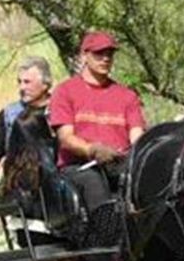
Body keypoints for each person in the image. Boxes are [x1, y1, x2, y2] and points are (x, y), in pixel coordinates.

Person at [48, 31, 146, 211]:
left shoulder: (128, 96)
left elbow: (137, 136)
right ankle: (106, 235)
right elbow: (65, 138)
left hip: (119, 165)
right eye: (99, 53)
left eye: (110, 54)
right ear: (84, 55)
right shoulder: (65, 91)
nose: (105, 58)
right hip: (79, 168)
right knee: (94, 185)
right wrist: (93, 150)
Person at [0, 56, 54, 196]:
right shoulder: (9, 114)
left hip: (56, 183)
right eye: (19, 82)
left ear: (45, 84)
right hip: (19, 186)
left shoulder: (60, 110)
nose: (22, 87)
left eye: (27, 82)